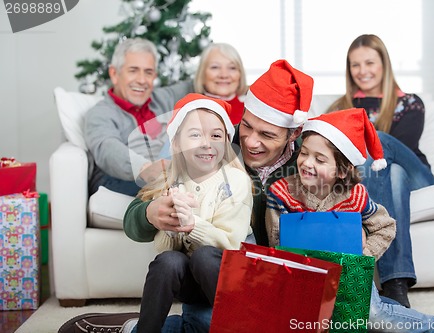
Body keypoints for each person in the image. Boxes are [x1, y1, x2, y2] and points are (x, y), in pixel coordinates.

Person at [58, 59, 313, 333]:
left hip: (277, 282)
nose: (250, 141)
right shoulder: (214, 140)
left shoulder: (311, 161)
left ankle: (135, 328)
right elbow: (136, 216)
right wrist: (150, 213)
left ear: (293, 133)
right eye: (247, 126)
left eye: (267, 134)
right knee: (209, 318)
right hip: (213, 280)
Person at [266, 109, 434, 333]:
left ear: (342, 171)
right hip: (305, 276)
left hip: (350, 274)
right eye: (304, 153)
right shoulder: (281, 192)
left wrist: (364, 256)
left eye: (320, 159)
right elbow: (277, 240)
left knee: (372, 317)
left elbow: (386, 226)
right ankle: (385, 307)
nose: (307, 162)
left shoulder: (356, 196)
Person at [119, 93, 253, 333]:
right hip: (194, 288)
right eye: (195, 134)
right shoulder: (170, 182)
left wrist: (193, 225)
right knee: (169, 261)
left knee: (203, 256)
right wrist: (173, 225)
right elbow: (163, 250)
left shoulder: (236, 181)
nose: (206, 143)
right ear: (177, 144)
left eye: (216, 135)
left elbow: (232, 245)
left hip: (231, 283)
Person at [327, 34, 434, 308]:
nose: (362, 71)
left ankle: (391, 281)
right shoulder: (341, 106)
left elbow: (403, 149)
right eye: (355, 65)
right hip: (383, 180)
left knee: (386, 149)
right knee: (393, 174)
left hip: (417, 176)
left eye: (369, 63)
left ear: (384, 64)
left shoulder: (410, 103)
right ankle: (394, 283)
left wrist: (367, 141)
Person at [84, 37, 193, 197]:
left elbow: (195, 84)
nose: (142, 80)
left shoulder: (161, 99)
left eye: (148, 72)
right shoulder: (100, 113)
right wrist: (144, 168)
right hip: (117, 181)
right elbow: (106, 147)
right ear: (114, 74)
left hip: (165, 176)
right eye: (133, 70)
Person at [193, 42, 248, 125]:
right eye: (215, 67)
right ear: (202, 74)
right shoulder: (189, 111)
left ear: (240, 74)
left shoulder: (250, 113)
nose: (224, 75)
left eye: (232, 68)